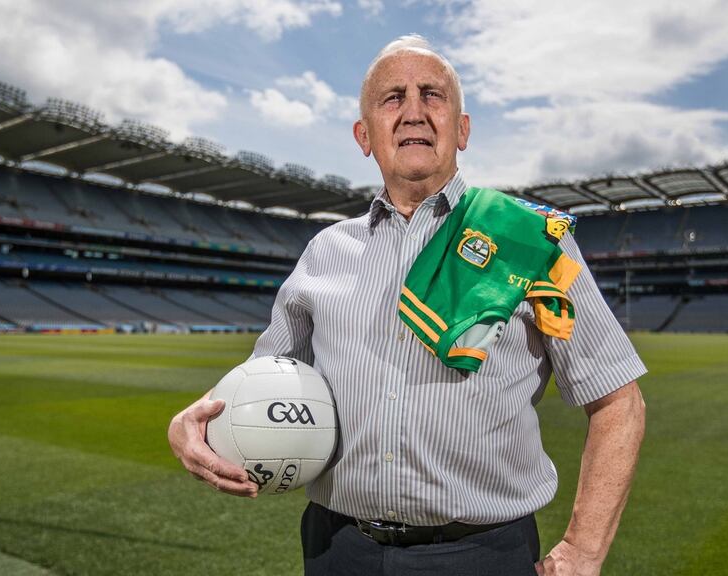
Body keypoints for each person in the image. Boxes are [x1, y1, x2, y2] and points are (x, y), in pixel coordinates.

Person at [169, 34, 647, 576]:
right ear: (364, 135)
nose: (414, 112)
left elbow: (618, 401)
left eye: (433, 95)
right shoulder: (326, 252)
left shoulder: (529, 241)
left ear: (462, 129)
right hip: (337, 548)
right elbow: (264, 376)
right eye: (392, 98)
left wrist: (583, 553)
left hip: (483, 555)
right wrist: (191, 419)